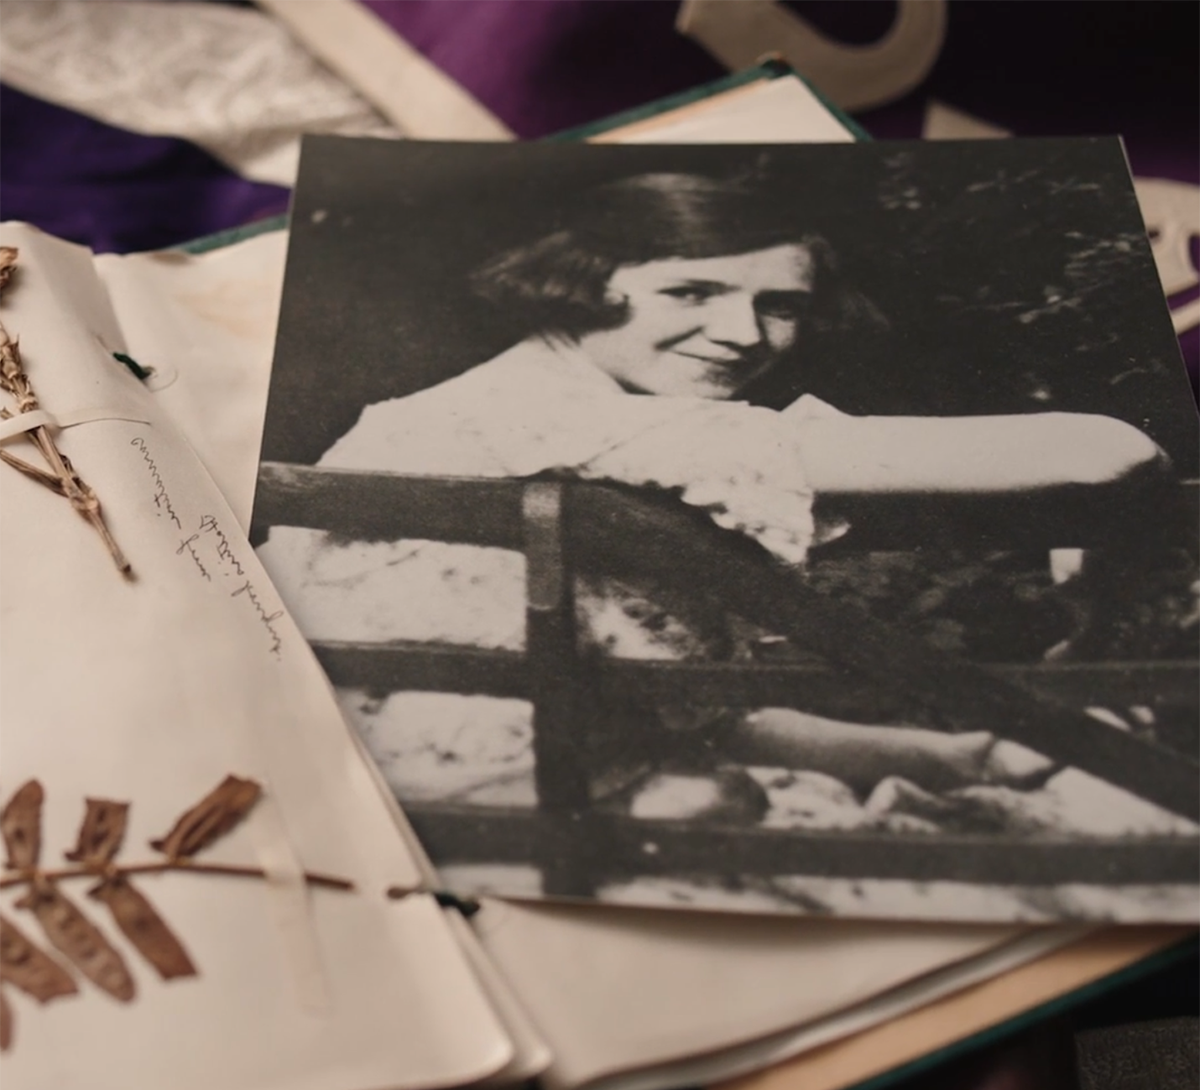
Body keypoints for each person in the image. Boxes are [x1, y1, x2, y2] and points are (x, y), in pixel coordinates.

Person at [259, 172, 1167, 823]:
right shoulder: (582, 425)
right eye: (690, 290)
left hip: (445, 773)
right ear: (587, 284)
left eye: (782, 304)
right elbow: (1107, 454)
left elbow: (631, 707)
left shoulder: (505, 406)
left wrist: (953, 754)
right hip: (471, 814)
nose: (742, 334)